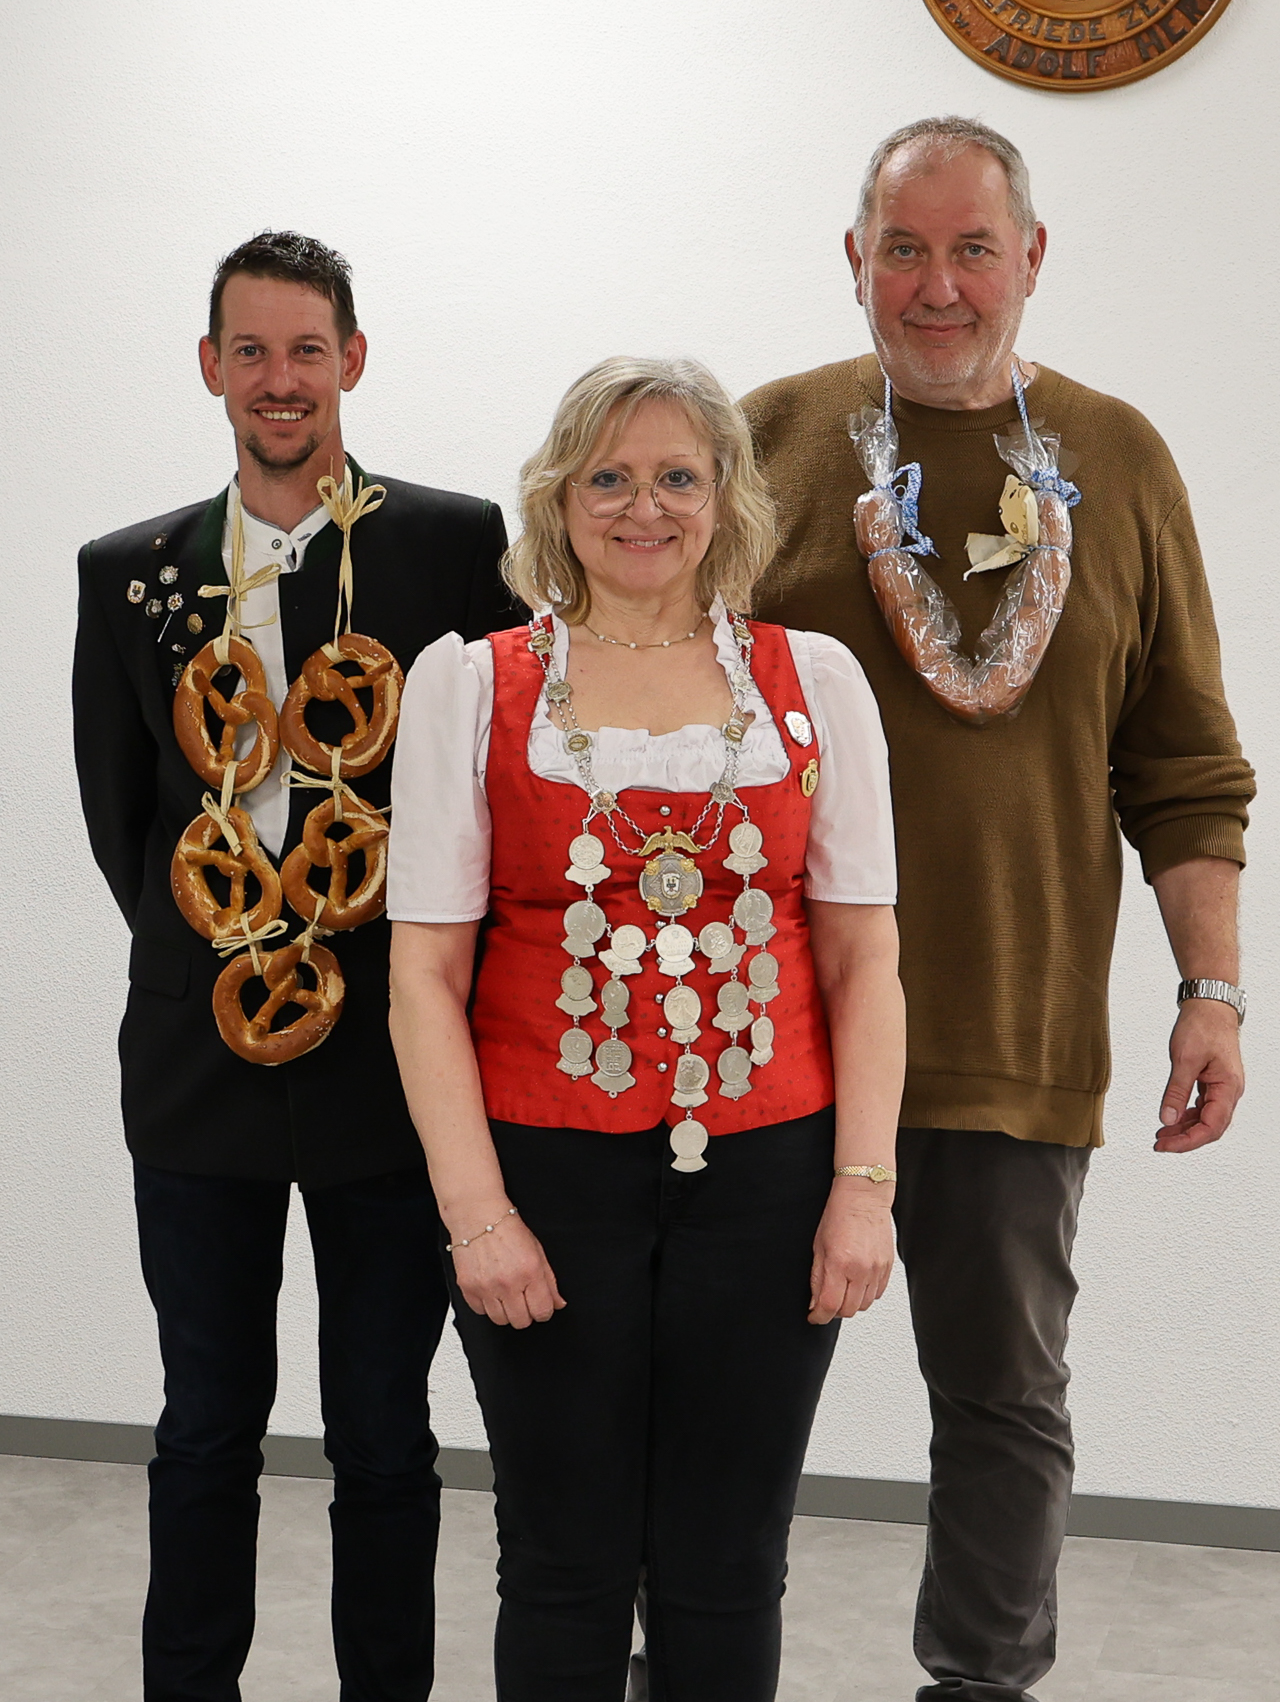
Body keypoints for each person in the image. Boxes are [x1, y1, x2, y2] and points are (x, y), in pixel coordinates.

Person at [741, 117, 1255, 1702]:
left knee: (1004, 1405)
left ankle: (979, 1686)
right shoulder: (764, 440)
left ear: (1033, 258)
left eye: (974, 248)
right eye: (905, 249)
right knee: (720, 1402)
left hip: (1012, 1028)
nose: (940, 285)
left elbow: (1183, 763)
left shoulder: (1121, 458)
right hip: (771, 1035)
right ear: (855, 260)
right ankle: (686, 1666)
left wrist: (1212, 992)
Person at [386, 356, 906, 1702]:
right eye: (608, 476)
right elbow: (424, 978)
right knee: (561, 1555)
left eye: (679, 475)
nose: (644, 507)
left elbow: (864, 958)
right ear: (557, 499)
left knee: (728, 1560)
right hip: (545, 1171)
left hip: (773, 1171)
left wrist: (863, 1190)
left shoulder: (815, 681)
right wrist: (477, 1218)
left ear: (726, 496)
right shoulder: (472, 687)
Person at [72, 230, 519, 1701]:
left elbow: (496, 786)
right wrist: (242, 941)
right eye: (251, 351)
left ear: (353, 362)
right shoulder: (129, 573)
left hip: (392, 1066)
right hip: (194, 1066)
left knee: (383, 1429)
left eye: (307, 351)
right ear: (210, 367)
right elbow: (126, 824)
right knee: (205, 1423)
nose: (281, 380)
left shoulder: (452, 548)